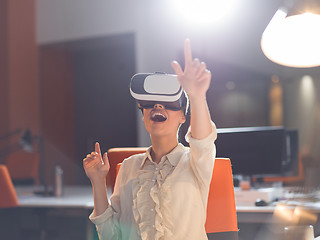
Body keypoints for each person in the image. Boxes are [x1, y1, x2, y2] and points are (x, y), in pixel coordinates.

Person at [83, 39, 217, 240]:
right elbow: (111, 236)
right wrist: (98, 181)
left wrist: (196, 96)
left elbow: (203, 140)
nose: (158, 107)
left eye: (168, 103)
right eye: (150, 103)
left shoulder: (195, 162)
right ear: (143, 115)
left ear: (182, 116)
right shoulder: (128, 167)